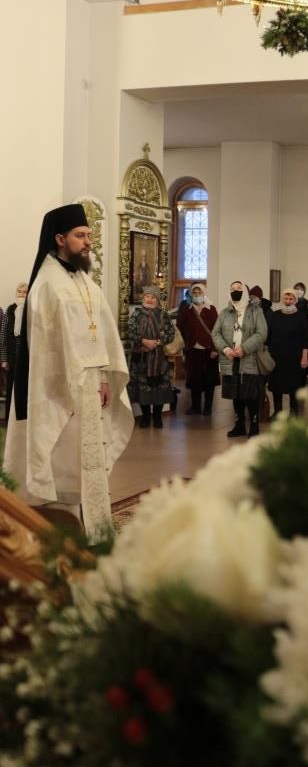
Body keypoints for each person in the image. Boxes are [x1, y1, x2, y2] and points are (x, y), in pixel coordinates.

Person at [3, 204, 133, 537]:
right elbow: (45, 348)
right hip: (60, 390)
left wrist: (103, 378)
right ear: (60, 239)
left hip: (90, 387)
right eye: (80, 235)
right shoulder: (48, 284)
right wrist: (70, 384)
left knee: (87, 461)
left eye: (88, 235)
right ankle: (63, 531)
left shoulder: (84, 281)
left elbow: (100, 335)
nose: (88, 241)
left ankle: (93, 527)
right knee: (63, 460)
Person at [212, 280, 267, 438]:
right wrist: (225, 349)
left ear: (245, 292)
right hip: (230, 359)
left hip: (249, 358)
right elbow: (215, 333)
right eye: (232, 289)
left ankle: (254, 424)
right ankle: (240, 424)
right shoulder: (225, 312)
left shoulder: (256, 311)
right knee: (236, 393)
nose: (235, 291)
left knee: (250, 394)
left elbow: (261, 333)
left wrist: (244, 348)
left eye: (238, 288)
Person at [127, 286, 176, 428]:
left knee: (159, 388)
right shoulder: (136, 315)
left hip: (159, 359)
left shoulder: (163, 315)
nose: (150, 299)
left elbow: (171, 333)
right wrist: (143, 341)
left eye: (153, 297)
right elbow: (130, 332)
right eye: (147, 296)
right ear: (143, 298)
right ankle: (145, 417)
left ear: (157, 300)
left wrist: (157, 343)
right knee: (143, 388)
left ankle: (157, 417)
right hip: (141, 359)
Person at [176, 282, 220, 416]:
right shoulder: (187, 309)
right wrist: (184, 347)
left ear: (204, 293)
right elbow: (180, 327)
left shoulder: (211, 309)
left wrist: (215, 349)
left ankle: (207, 407)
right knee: (194, 379)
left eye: (199, 292)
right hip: (192, 350)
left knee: (209, 380)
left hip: (209, 350)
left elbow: (217, 330)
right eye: (194, 293)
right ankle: (195, 406)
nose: (196, 295)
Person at [267, 289, 308, 418]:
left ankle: (294, 412)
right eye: (286, 298)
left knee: (294, 386)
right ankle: (278, 411)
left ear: (295, 300)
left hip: (294, 358)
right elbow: (269, 336)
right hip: (276, 357)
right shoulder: (275, 315)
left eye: (291, 299)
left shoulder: (301, 316)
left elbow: (306, 340)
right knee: (276, 385)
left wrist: (304, 358)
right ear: (282, 299)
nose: (288, 301)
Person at [0, 282, 28, 422]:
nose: (21, 294)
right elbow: (3, 336)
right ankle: (9, 421)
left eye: (24, 292)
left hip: (26, 358)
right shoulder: (9, 310)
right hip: (12, 359)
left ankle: (24, 420)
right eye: (19, 292)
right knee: (11, 390)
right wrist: (4, 359)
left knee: (25, 390)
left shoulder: (31, 310)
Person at [293, 281, 308, 379]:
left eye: (301, 289)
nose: (299, 291)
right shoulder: (291, 302)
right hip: (293, 339)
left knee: (303, 368)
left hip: (305, 339)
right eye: (297, 289)